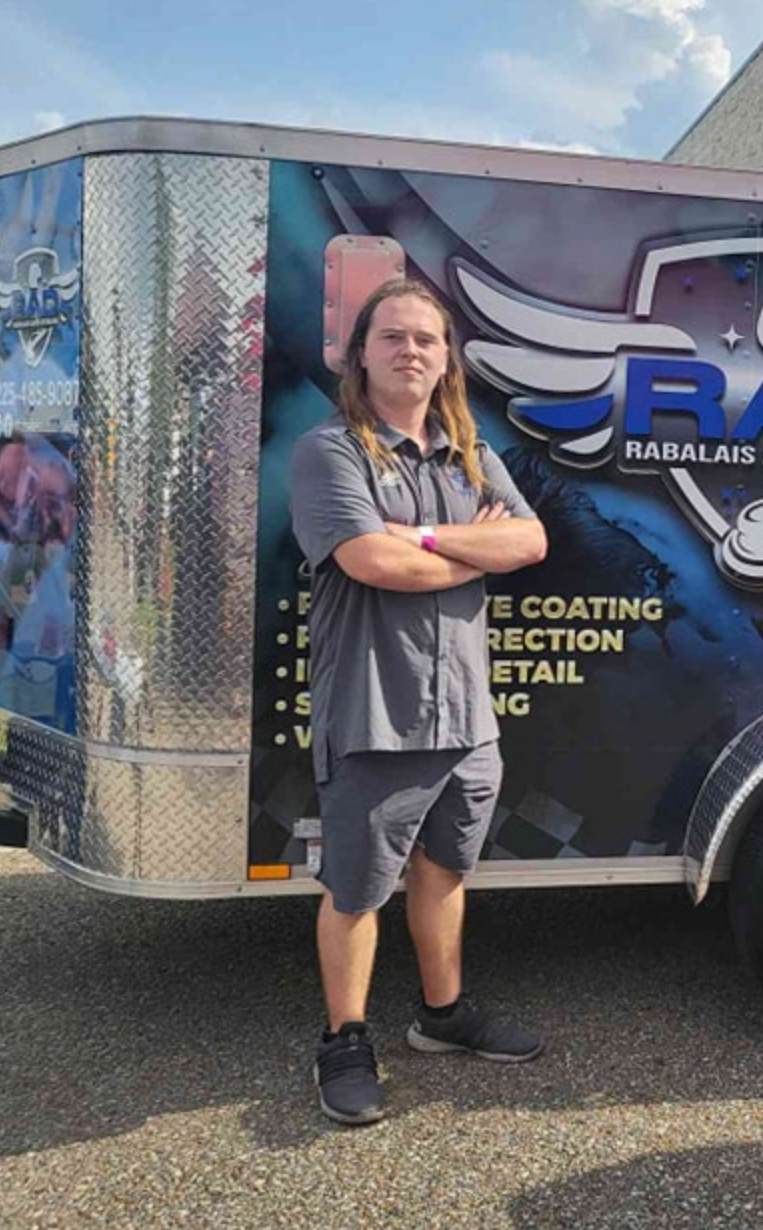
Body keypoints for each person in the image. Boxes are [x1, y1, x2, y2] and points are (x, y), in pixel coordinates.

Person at [289, 277, 549, 1125]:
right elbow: (374, 564)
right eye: (393, 336)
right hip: (377, 712)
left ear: (447, 361)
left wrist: (431, 536)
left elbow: (532, 539)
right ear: (360, 354)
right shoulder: (332, 452)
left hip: (467, 717)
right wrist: (476, 552)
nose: (410, 351)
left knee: (445, 873)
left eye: (426, 340)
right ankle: (344, 1039)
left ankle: (443, 1017)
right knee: (357, 890)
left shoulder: (470, 452)